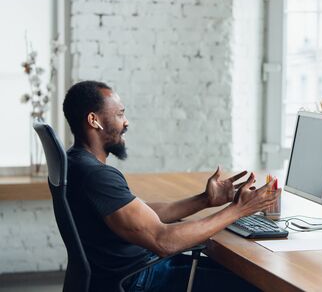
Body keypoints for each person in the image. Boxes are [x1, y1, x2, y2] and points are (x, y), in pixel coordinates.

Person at [62, 80, 281, 292]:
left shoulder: (75, 162)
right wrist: (239, 209)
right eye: (120, 114)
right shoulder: (96, 176)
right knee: (258, 286)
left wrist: (205, 200)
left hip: (138, 269)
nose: (126, 122)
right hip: (140, 280)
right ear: (93, 120)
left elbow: (145, 215)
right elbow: (163, 241)